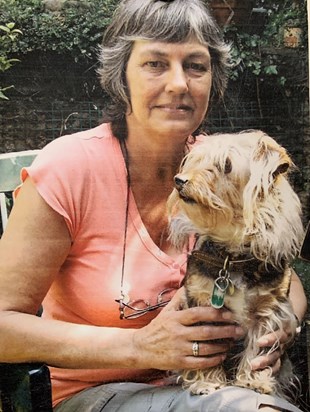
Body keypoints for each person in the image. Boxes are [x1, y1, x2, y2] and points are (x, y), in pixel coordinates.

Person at [0, 0, 307, 411]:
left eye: (196, 65)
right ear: (121, 76)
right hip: (98, 393)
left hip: (217, 383)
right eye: (155, 64)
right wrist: (140, 346)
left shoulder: (222, 168)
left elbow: (280, 273)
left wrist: (283, 325)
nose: (179, 83)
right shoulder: (70, 168)